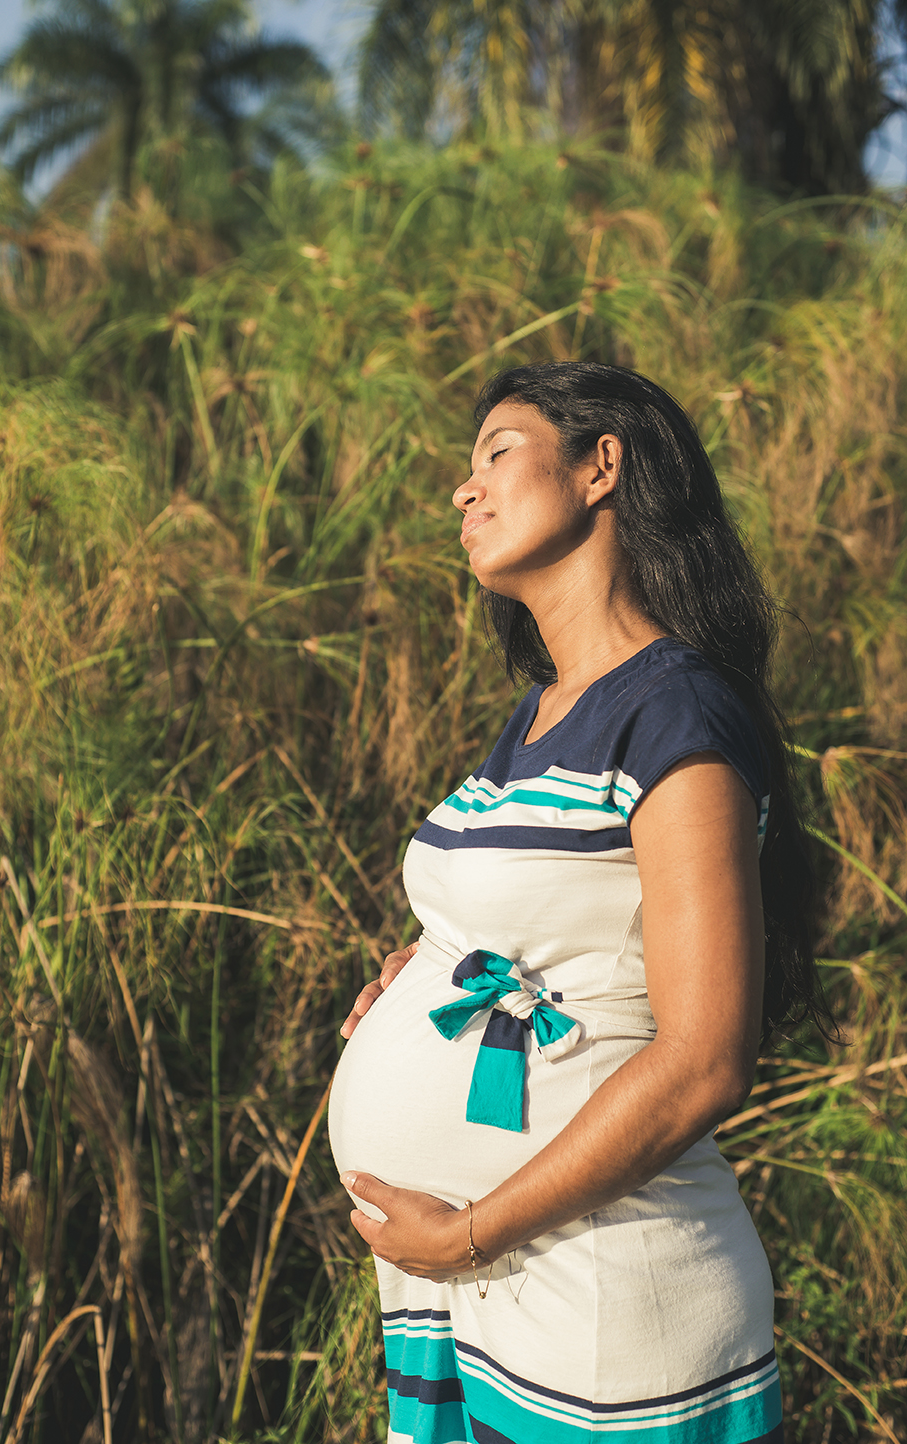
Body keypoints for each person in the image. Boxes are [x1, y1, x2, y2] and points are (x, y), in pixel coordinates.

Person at [328, 361, 830, 1444]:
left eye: (496, 454)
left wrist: (469, 1233)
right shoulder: (542, 713)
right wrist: (425, 975)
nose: (464, 492)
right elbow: (547, 923)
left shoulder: (676, 710)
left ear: (601, 466)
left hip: (605, 1299)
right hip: (468, 1290)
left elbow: (704, 1056)